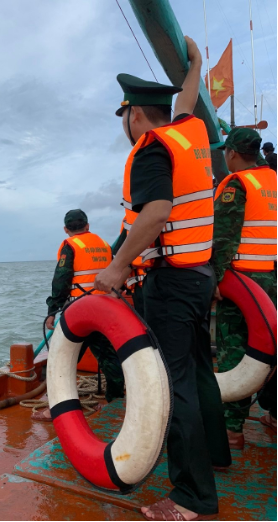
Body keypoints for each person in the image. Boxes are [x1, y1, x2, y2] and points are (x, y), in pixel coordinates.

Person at [95, 36, 231, 522]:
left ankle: (193, 497)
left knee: (173, 385)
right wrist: (194, 64)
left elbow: (155, 213)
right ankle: (216, 455)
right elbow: (187, 102)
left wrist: (116, 267)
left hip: (171, 285)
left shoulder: (151, 150)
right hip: (200, 276)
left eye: (125, 117)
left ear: (133, 114)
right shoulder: (189, 133)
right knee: (198, 371)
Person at [213, 128, 278, 448]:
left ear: (233, 153)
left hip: (243, 282)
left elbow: (224, 236)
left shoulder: (237, 184)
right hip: (272, 278)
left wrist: (215, 279)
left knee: (236, 353)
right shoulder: (274, 181)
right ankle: (274, 413)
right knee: (271, 349)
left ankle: (232, 430)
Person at [35, 210, 125, 422]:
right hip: (104, 307)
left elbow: (61, 280)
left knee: (62, 359)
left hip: (80, 311)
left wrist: (52, 310)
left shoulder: (70, 245)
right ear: (87, 225)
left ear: (66, 229)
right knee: (109, 357)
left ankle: (55, 409)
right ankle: (116, 402)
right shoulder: (104, 244)